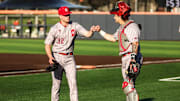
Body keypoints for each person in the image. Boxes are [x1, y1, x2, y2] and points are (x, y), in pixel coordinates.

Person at [44, 6, 96, 101]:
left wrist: (91, 31)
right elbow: (47, 44)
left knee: (73, 84)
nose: (68, 16)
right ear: (60, 16)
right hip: (57, 57)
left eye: (68, 14)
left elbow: (88, 34)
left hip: (69, 58)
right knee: (56, 85)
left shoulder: (75, 26)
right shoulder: (54, 28)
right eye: (65, 15)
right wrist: (50, 57)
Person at [95, 1, 143, 101]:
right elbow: (112, 38)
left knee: (127, 84)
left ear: (120, 14)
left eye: (115, 14)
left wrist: (133, 60)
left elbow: (135, 43)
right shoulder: (122, 27)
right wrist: (100, 31)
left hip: (131, 57)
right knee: (128, 85)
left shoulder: (131, 26)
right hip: (126, 57)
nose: (114, 17)